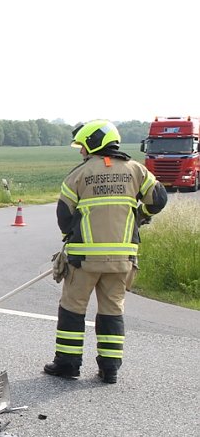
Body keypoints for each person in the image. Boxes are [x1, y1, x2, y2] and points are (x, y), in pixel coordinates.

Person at [43, 120, 167, 384]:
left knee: (72, 309)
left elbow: (64, 215)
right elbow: (159, 199)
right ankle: (109, 369)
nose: (81, 152)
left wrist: (70, 236)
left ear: (94, 143)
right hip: (122, 260)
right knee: (112, 310)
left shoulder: (78, 174)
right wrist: (139, 217)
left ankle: (68, 364)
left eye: (83, 146)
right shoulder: (137, 170)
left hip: (84, 259)